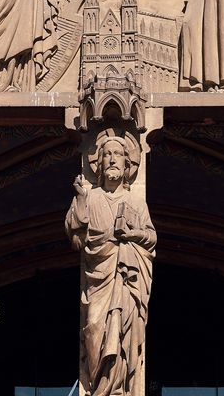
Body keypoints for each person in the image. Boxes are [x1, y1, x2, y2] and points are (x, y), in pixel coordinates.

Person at [65, 136, 156, 396]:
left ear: (127, 164)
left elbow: (151, 238)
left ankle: (118, 388)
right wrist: (81, 199)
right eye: (107, 155)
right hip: (98, 278)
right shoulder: (89, 197)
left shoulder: (136, 202)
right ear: (100, 163)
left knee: (123, 332)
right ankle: (99, 387)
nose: (113, 159)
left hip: (126, 279)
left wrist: (132, 234)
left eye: (118, 154)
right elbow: (76, 240)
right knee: (94, 329)